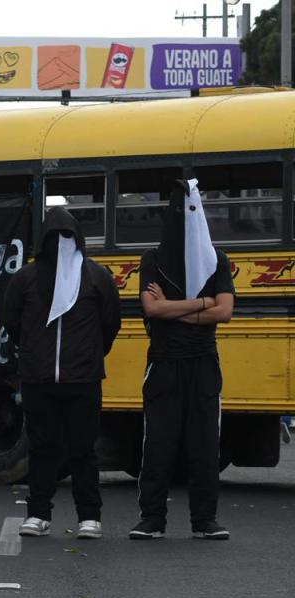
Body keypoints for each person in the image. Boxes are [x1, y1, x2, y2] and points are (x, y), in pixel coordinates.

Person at [3, 207, 121, 540]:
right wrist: (34, 353)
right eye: (54, 238)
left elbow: (110, 322)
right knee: (42, 448)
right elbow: (11, 321)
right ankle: (38, 513)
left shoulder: (95, 276)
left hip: (82, 379)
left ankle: (89, 516)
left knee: (83, 449)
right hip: (39, 380)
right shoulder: (25, 279)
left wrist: (91, 355)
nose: (60, 244)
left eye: (66, 237)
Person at [130, 179, 234, 540]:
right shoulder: (153, 260)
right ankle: (152, 518)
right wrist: (203, 303)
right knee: (158, 442)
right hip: (164, 363)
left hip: (203, 364)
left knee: (205, 444)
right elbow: (150, 308)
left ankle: (204, 520)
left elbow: (225, 312)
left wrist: (173, 309)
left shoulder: (216, 259)